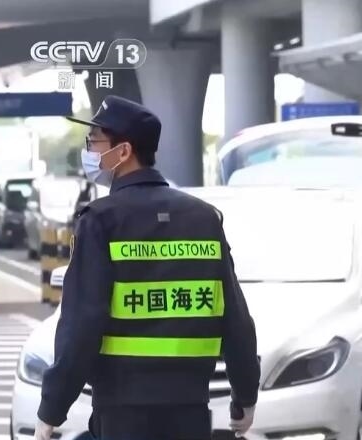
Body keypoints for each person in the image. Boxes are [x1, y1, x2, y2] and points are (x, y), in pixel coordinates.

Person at [35, 95, 260, 440]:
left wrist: (52, 407)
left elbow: (82, 324)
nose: (88, 152)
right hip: (190, 411)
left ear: (123, 151)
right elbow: (235, 316)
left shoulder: (100, 221)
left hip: (122, 413)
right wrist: (245, 393)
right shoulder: (204, 219)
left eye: (94, 142)